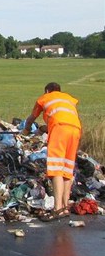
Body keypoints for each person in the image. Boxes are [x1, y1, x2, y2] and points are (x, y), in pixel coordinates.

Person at [21, 82, 81, 222]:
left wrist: (26, 130)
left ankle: (57, 209)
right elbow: (61, 119)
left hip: (59, 130)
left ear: (47, 90)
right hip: (75, 130)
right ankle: (65, 207)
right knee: (67, 169)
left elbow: (31, 118)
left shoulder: (44, 98)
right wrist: (43, 129)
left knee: (55, 169)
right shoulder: (68, 99)